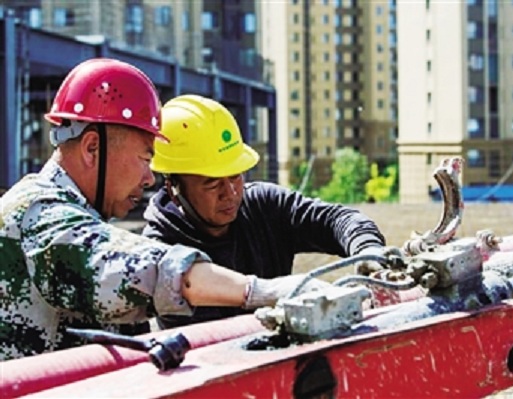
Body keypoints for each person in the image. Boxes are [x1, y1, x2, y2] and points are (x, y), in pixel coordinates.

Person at [0, 58, 326, 361]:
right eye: (145, 158)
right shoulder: (35, 214)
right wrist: (262, 291)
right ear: (91, 147)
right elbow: (146, 270)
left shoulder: (79, 215)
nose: (149, 177)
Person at [142, 94, 388, 329]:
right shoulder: (158, 252)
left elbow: (338, 220)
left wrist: (367, 250)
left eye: (235, 176)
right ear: (173, 188)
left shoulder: (263, 206)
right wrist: (273, 293)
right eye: (212, 183)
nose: (230, 192)